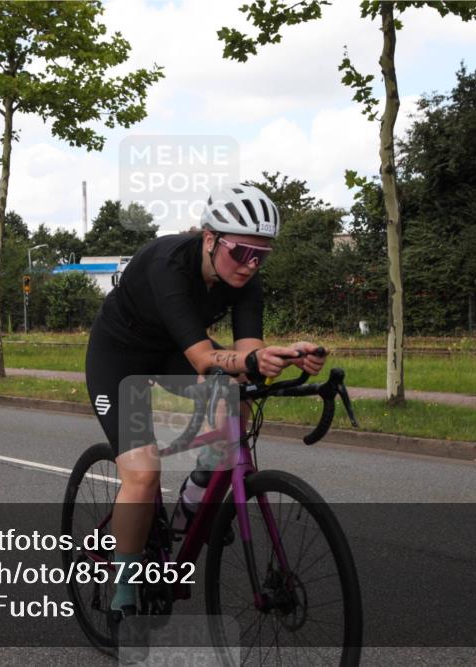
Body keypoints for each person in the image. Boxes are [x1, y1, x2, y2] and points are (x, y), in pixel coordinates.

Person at [84, 183, 327, 652]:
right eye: (241, 252)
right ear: (210, 238)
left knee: (239, 396)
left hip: (172, 351)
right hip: (120, 359)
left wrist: (284, 355)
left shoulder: (244, 279)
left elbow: (247, 353)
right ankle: (123, 597)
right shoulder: (168, 264)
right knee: (142, 470)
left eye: (261, 255)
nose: (250, 265)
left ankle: (198, 496)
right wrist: (247, 364)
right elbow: (200, 358)